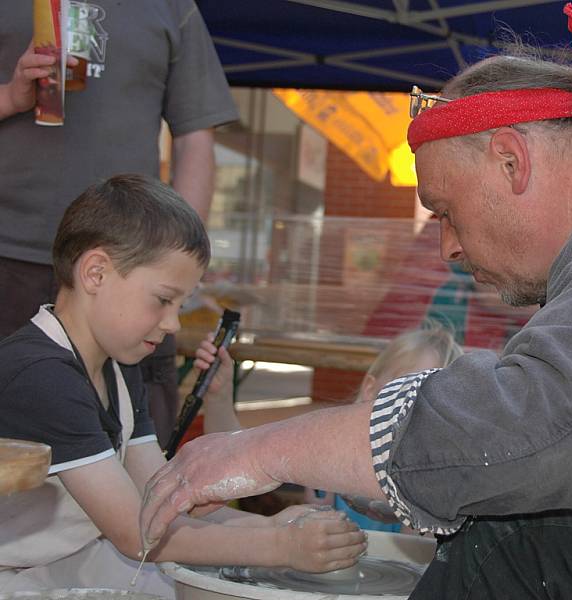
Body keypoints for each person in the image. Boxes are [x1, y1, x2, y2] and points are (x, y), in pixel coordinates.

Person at [139, 4, 572, 599]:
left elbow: (530, 433)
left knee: (515, 535)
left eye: (447, 212)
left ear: (510, 162)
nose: (448, 248)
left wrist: (257, 453)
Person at [0, 175, 366, 597]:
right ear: (95, 273)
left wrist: (271, 525)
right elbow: (138, 534)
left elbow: (162, 500)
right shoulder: (41, 375)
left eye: (181, 304)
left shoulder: (119, 366)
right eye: (162, 299)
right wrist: (279, 545)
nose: (173, 324)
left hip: (66, 559)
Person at [0, 0, 239, 448]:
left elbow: (194, 138)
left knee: (135, 439)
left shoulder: (172, 7)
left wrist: (177, 264)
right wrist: (11, 95)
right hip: (8, 252)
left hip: (131, 265)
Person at [303, 324, 464, 533]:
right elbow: (311, 522)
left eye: (436, 403)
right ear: (370, 389)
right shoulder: (336, 452)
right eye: (406, 391)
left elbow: (417, 552)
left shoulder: (433, 476)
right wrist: (317, 507)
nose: (417, 409)